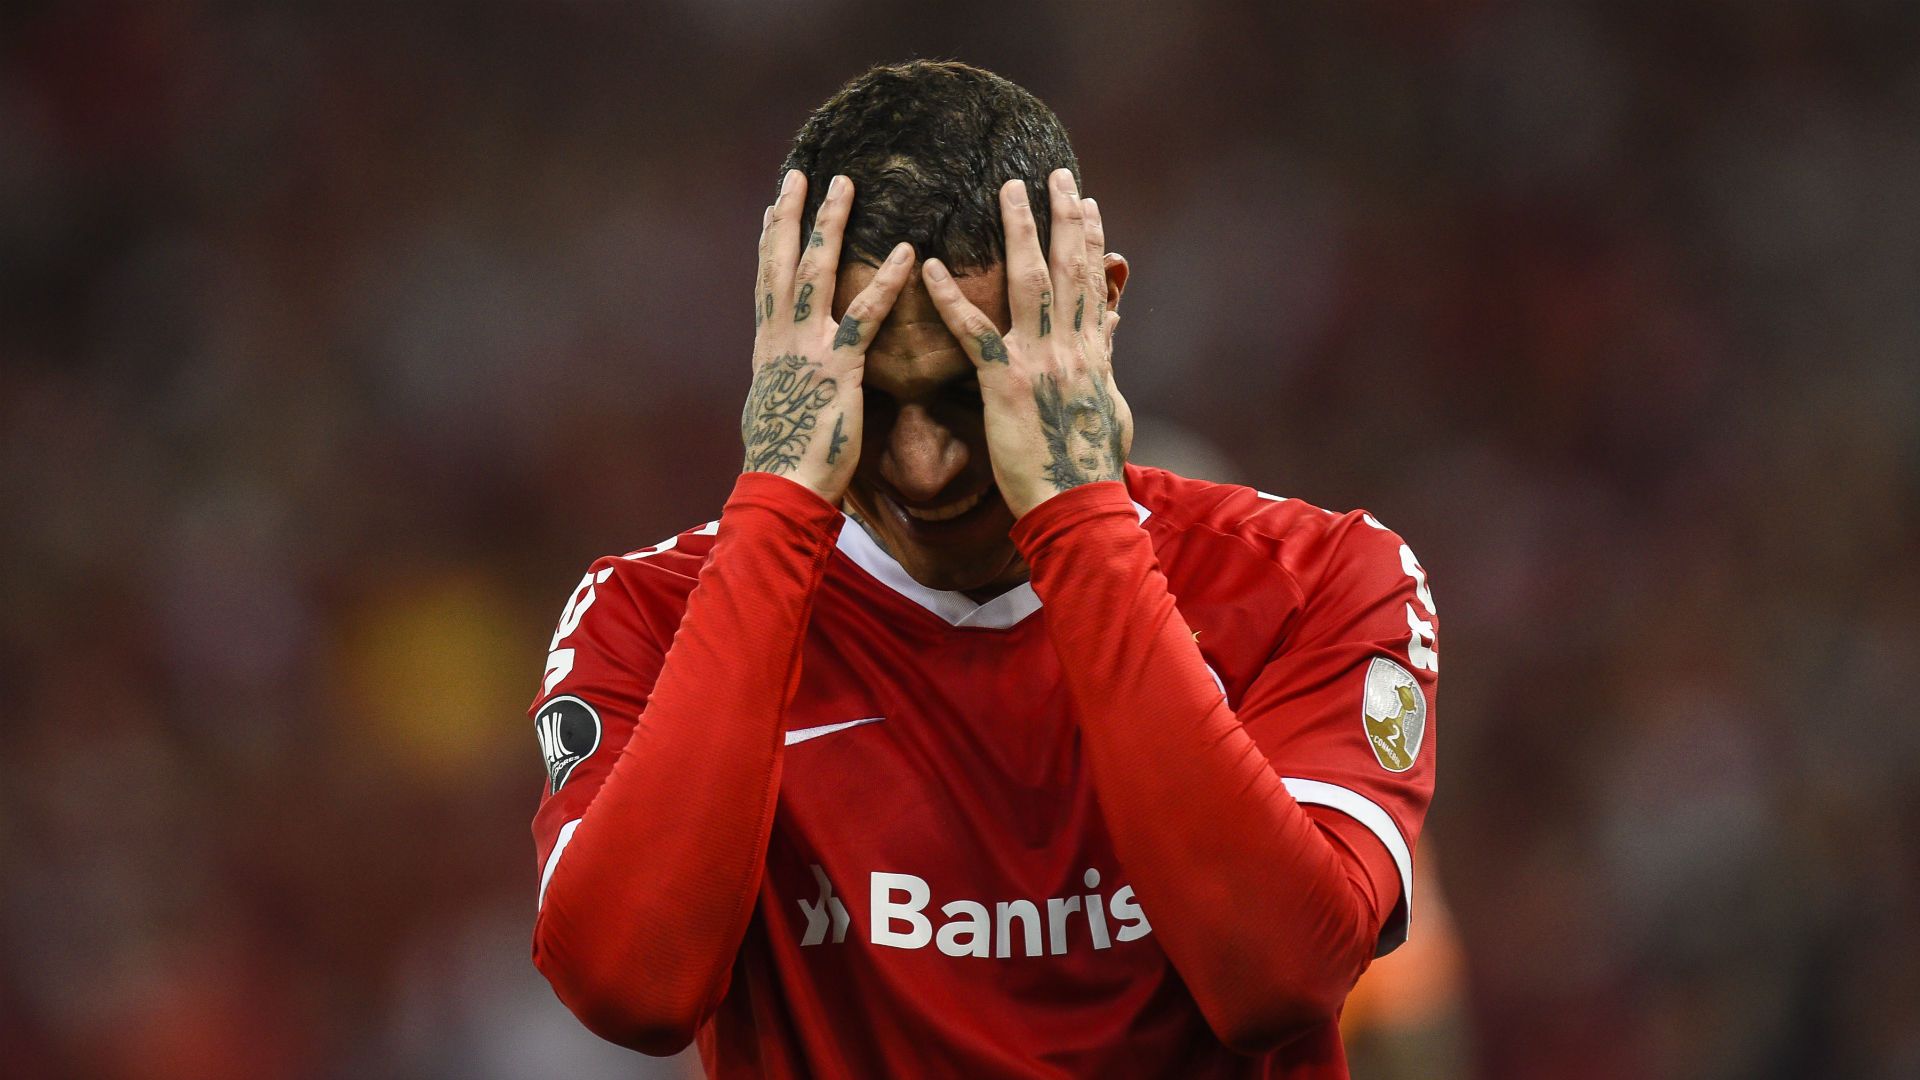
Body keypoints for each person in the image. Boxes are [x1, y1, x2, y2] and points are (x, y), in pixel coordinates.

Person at [526, 60, 1438, 1078]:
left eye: (972, 393)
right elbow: (629, 988)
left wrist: (1077, 515)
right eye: (868, 396)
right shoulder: (652, 614)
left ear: (1094, 309)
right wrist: (780, 500)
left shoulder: (1316, 581)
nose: (924, 466)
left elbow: (1277, 976)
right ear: (784, 351)